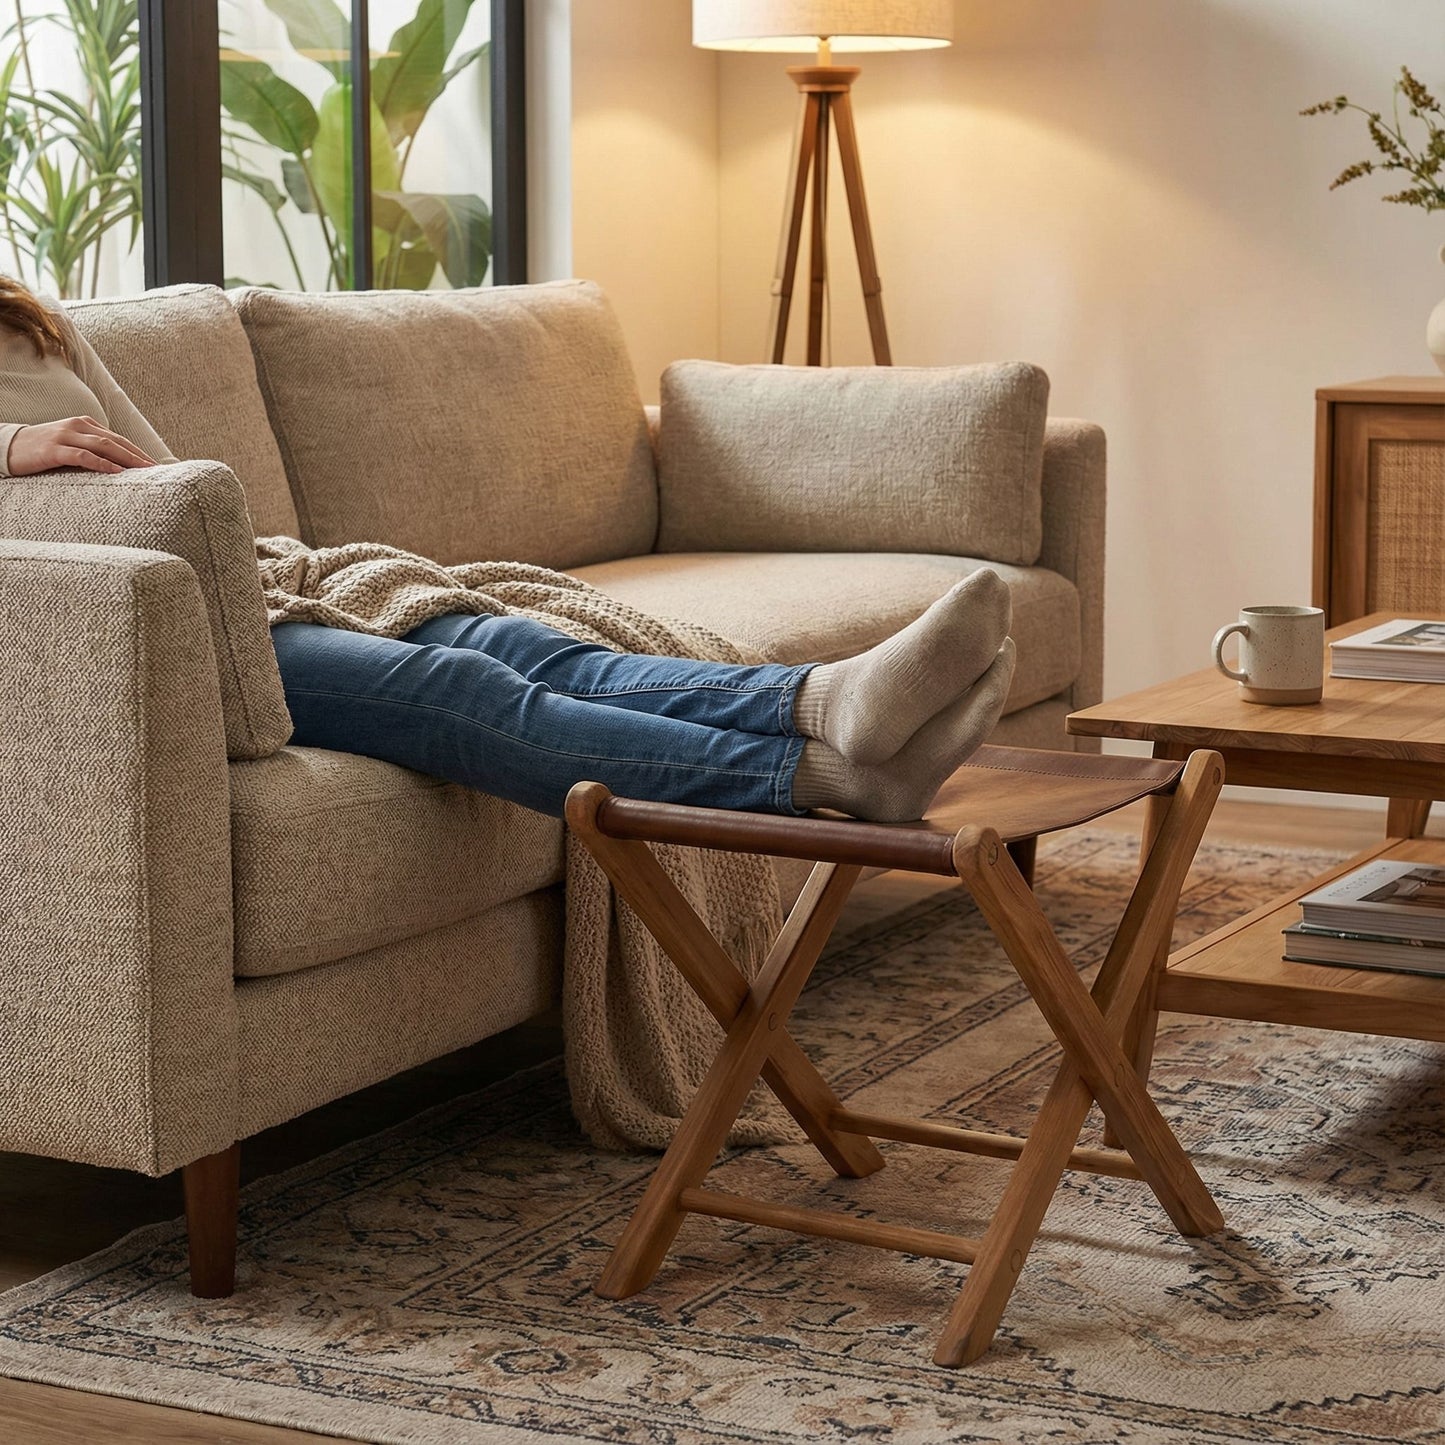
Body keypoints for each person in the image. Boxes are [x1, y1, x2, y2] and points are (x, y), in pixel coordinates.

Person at [0, 275, 1015, 822]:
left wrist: (257, 568)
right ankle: (823, 779)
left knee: (518, 644)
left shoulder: (27, 319)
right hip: (122, 649)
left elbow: (168, 473)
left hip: (233, 585)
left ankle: (821, 702)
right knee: (458, 691)